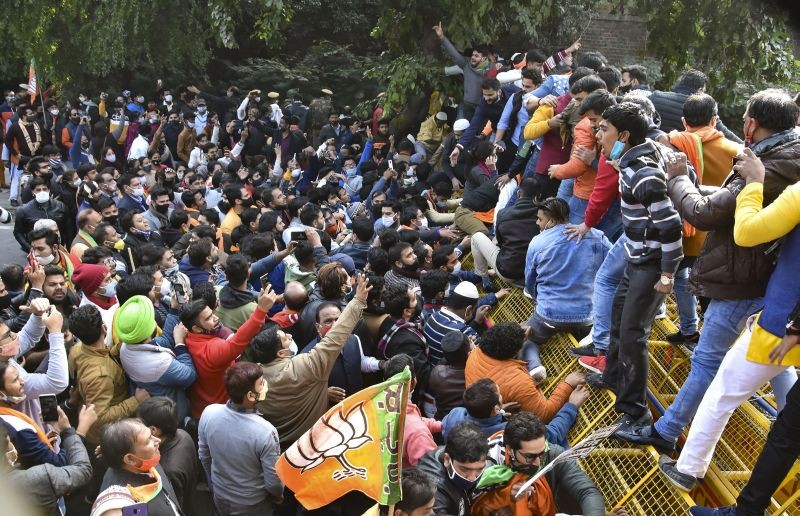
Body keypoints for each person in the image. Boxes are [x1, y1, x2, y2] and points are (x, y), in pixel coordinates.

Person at [617, 89, 800, 452]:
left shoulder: (769, 166)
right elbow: (728, 199)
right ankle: (790, 419)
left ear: (751, 123)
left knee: (707, 361)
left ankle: (668, 433)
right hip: (769, 279)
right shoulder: (784, 154)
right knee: (773, 360)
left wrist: (677, 178)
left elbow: (709, 214)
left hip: (743, 275)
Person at [658, 141, 800, 492]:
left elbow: (747, 231)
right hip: (782, 316)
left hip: (783, 322)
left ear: (750, 124)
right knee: (782, 380)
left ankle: (687, 469)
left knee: (721, 391)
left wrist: (754, 182)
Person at [586, 103, 684, 436]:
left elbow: (671, 227)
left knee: (633, 335)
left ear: (624, 136)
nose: (598, 134)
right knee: (617, 316)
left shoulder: (643, 173)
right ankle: (612, 375)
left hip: (652, 263)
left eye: (604, 129)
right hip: (636, 255)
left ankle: (635, 412)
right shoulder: (631, 160)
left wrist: (668, 273)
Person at [246, 275, 370, 448]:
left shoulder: (253, 379)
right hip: (312, 444)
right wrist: (357, 301)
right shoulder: (305, 366)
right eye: (285, 338)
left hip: (278, 448)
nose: (290, 335)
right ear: (281, 353)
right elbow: (336, 336)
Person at [663, 92, 742, 346]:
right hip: (718, 238)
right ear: (715, 119)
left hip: (681, 233)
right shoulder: (736, 152)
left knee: (676, 279)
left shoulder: (673, 145)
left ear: (685, 121)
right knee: (710, 299)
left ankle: (688, 329)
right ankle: (709, 344)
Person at [523, 197, 610, 368]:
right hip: (587, 317)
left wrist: (537, 297)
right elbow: (614, 265)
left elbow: (530, 281)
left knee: (527, 339)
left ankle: (535, 367)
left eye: (540, 219)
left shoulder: (538, 242)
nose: (537, 223)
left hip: (548, 316)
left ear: (552, 221)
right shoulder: (597, 237)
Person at [472, 412, 604, 516]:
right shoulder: (484, 463)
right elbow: (473, 509)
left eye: (541, 453)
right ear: (509, 450)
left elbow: (587, 491)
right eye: (530, 456)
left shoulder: (552, 453)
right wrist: (505, 497)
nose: (538, 462)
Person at [199, 361, 283, 515]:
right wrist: (278, 495)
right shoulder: (266, 432)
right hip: (253, 504)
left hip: (220, 495)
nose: (265, 385)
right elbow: (273, 481)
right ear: (251, 396)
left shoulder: (209, 413)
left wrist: (214, 485)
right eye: (261, 383)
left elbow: (204, 456)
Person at [182, 284, 276, 420]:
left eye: (212, 314)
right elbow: (237, 342)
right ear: (196, 328)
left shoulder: (186, 336)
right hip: (219, 412)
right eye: (208, 318)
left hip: (200, 406)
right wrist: (260, 310)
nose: (215, 318)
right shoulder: (212, 350)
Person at [465, 323, 584, 423]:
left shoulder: (474, 354)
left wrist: (516, 335)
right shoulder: (518, 382)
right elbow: (544, 415)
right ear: (514, 352)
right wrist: (567, 385)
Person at [68, 304, 149, 446]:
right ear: (104, 328)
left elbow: (100, 357)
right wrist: (135, 401)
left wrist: (115, 351)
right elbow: (99, 417)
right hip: (104, 440)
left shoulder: (76, 349)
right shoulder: (101, 376)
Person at [1, 404, 95, 516]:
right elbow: (83, 470)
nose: (12, 444)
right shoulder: (39, 478)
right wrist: (71, 431)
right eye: (8, 442)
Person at [117, 294, 196, 421]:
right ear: (147, 331)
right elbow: (189, 375)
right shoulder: (160, 364)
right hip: (170, 415)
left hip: (152, 409)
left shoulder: (126, 347)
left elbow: (163, 341)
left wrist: (174, 309)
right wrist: (180, 344)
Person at [98, 418, 185, 516]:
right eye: (148, 441)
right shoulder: (123, 503)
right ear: (130, 459)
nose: (158, 440)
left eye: (152, 435)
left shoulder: (145, 460)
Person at [470, 177, 541, 285]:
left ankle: (483, 279)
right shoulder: (544, 216)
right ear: (538, 196)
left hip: (508, 273)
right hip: (533, 272)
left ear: (518, 194)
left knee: (476, 237)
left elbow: (500, 242)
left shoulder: (503, 213)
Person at [417, 422, 488, 516]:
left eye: (479, 470)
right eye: (465, 470)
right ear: (447, 460)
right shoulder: (432, 489)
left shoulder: (454, 452)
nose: (472, 478)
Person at [385, 354, 441, 467]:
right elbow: (430, 473)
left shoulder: (381, 406)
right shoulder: (418, 434)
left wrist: (439, 425)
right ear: (414, 382)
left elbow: (413, 422)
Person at [433, 21, 490, 121]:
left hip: (481, 109)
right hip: (466, 106)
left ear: (484, 58)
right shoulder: (466, 66)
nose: (473, 58)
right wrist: (442, 37)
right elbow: (454, 54)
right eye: (472, 55)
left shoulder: (490, 70)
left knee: (474, 133)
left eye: (476, 56)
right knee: (458, 130)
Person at [423, 281, 487, 366]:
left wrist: (476, 322)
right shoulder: (466, 333)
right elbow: (485, 359)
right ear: (468, 309)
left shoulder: (432, 316)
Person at [13, 177, 69, 252]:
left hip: (58, 249)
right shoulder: (23, 210)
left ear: (49, 190)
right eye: (38, 190)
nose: (42, 192)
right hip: (37, 250)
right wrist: (30, 249)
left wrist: (66, 247)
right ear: (33, 192)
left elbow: (68, 229)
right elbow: (18, 232)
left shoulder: (61, 206)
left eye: (45, 189)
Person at [428, 331, 471, 420]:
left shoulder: (437, 373)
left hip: (442, 420)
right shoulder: (473, 375)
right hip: (464, 421)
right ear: (468, 354)